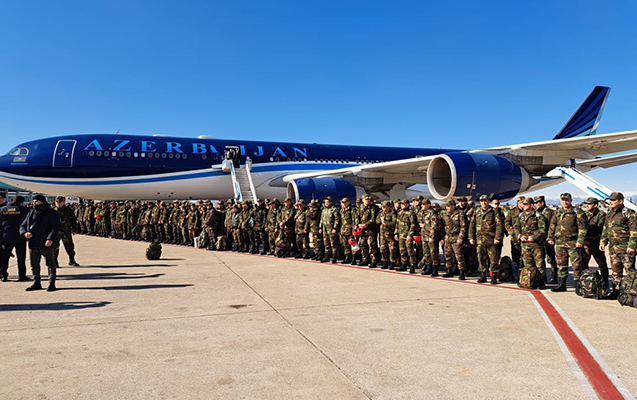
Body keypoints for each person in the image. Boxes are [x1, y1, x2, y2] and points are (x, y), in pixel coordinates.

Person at [20, 195, 61, 292]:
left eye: (37, 201)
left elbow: (55, 226)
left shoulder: (51, 213)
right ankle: (36, 282)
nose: (34, 203)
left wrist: (50, 238)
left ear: (42, 202)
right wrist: (24, 233)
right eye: (34, 201)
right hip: (33, 243)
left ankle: (51, 283)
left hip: (46, 243)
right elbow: (23, 225)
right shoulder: (31, 212)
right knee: (34, 264)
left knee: (50, 264)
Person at [600, 192, 637, 299]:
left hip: (626, 249)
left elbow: (634, 231)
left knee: (630, 272)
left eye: (613, 200)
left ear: (620, 201)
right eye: (609, 200)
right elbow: (606, 229)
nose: (610, 202)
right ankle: (615, 292)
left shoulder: (629, 213)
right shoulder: (609, 214)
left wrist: (632, 246)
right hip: (613, 249)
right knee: (616, 272)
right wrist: (603, 242)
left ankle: (631, 293)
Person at [548, 193, 588, 292]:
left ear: (571, 200)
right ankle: (562, 285)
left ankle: (578, 286)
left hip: (573, 242)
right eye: (563, 200)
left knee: (576, 265)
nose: (565, 202)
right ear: (560, 200)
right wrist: (550, 237)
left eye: (567, 200)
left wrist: (580, 240)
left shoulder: (577, 212)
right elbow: (552, 225)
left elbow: (583, 228)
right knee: (561, 264)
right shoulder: (558, 211)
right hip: (560, 242)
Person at [469, 194, 504, 284]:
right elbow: (472, 225)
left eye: (485, 201)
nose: (484, 202)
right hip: (480, 240)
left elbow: (499, 225)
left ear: (488, 201)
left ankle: (493, 276)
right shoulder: (477, 212)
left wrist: (497, 237)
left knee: (493, 259)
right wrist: (471, 237)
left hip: (491, 240)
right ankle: (483, 275)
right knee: (481, 258)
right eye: (482, 201)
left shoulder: (494, 212)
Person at [516, 197, 548, 289]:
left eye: (526, 204)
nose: (523, 206)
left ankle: (541, 282)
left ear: (531, 205)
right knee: (527, 264)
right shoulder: (521, 216)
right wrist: (520, 236)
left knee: (539, 264)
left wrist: (533, 237)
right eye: (523, 204)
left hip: (536, 245)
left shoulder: (538, 216)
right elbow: (517, 228)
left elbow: (543, 230)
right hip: (525, 245)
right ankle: (529, 281)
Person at [0, 195, 30, 281]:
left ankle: (3, 275)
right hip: (19, 237)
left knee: (4, 258)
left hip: (6, 237)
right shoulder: (23, 209)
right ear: (21, 202)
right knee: (21, 258)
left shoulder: (3, 209)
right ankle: (22, 275)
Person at [441, 199, 468, 279]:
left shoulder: (460, 213)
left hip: (456, 237)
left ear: (453, 206)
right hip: (448, 237)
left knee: (459, 256)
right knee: (448, 255)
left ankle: (462, 272)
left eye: (449, 206)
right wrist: (442, 237)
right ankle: (449, 270)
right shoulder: (445, 214)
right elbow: (443, 226)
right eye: (446, 206)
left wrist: (460, 238)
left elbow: (463, 227)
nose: (447, 208)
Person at [534, 196, 558, 283]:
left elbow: (554, 225)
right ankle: (542, 278)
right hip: (539, 240)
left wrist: (551, 237)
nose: (535, 205)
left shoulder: (550, 212)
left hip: (548, 239)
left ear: (542, 203)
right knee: (540, 258)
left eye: (537, 203)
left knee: (551, 258)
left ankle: (554, 277)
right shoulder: (536, 213)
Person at [52, 196, 80, 267]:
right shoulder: (52, 210)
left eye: (60, 202)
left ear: (64, 202)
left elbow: (73, 220)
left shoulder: (68, 210)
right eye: (57, 202)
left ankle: (72, 260)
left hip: (66, 231)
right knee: (54, 247)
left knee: (69, 246)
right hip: (55, 232)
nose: (58, 203)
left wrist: (74, 229)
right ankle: (55, 262)